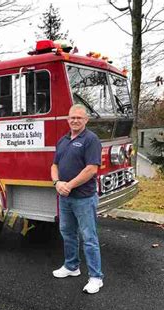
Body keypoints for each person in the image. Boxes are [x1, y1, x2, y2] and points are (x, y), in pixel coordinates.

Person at [51, 104, 104, 294]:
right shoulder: (63, 140)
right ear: (68, 119)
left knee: (89, 237)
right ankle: (72, 266)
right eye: (72, 117)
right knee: (67, 233)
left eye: (79, 118)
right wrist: (57, 182)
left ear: (86, 120)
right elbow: (54, 165)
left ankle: (96, 277)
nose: (75, 120)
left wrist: (69, 185)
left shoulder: (91, 140)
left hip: (83, 198)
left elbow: (91, 169)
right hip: (64, 197)